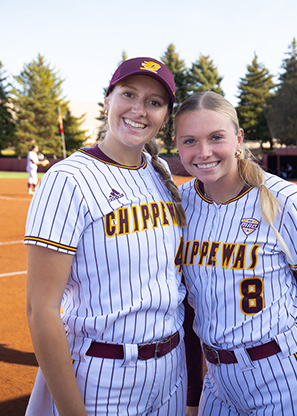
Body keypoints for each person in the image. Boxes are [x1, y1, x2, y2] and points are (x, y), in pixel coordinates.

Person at [24, 57, 189, 416]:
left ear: (164, 117)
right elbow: (41, 309)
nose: (139, 110)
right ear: (107, 101)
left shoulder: (160, 175)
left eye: (154, 102)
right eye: (128, 94)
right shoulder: (67, 179)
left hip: (172, 369)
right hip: (106, 375)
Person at [174, 92, 297, 416]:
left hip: (284, 374)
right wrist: (193, 394)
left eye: (216, 138)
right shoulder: (179, 204)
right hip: (218, 379)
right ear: (177, 145)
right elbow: (184, 310)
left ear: (238, 139)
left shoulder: (286, 201)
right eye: (189, 141)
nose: (204, 152)